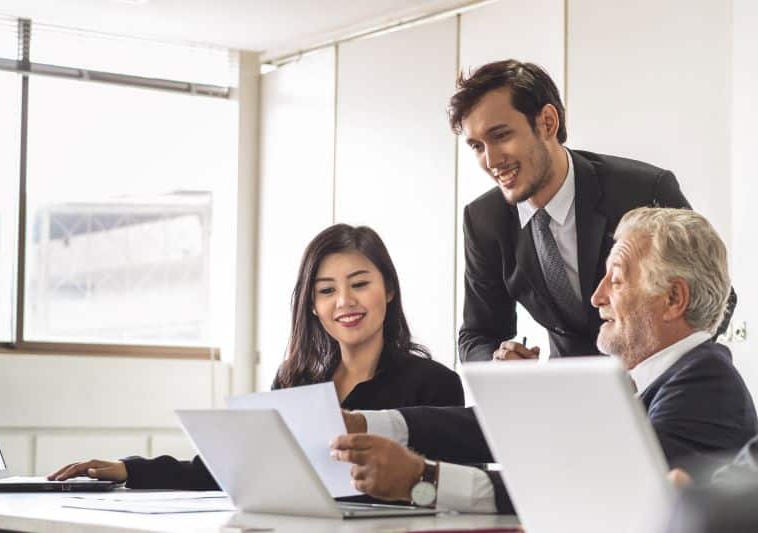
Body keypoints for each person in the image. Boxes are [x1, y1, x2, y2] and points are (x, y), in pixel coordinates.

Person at [331, 208, 756, 513]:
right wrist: (368, 424)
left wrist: (425, 480)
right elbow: (511, 425)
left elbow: (597, 491)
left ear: (673, 298)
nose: (597, 297)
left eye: (617, 280)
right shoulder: (641, 381)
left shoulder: (706, 384)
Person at [48, 224, 464, 489]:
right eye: (326, 291)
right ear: (312, 305)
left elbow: (445, 491)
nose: (344, 302)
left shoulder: (435, 384)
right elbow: (239, 467)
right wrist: (130, 469)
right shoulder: (295, 380)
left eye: (359, 284)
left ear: (388, 289)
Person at [453, 59, 734, 362]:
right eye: (477, 146)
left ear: (548, 122)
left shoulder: (643, 190)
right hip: (566, 384)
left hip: (655, 380)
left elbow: (717, 300)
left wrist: (653, 370)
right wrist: (499, 362)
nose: (491, 161)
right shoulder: (484, 220)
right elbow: (478, 335)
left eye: (501, 136)